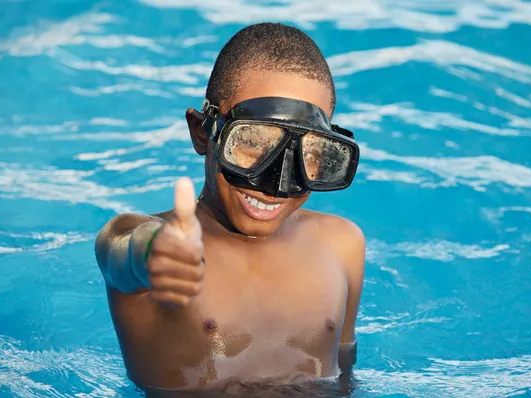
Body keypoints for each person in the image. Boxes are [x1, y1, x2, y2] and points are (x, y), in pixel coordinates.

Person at [95, 22, 365, 394]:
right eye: (253, 141)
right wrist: (152, 250)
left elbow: (346, 374)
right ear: (203, 132)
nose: (278, 183)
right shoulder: (155, 250)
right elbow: (120, 251)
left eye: (311, 153)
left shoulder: (343, 244)